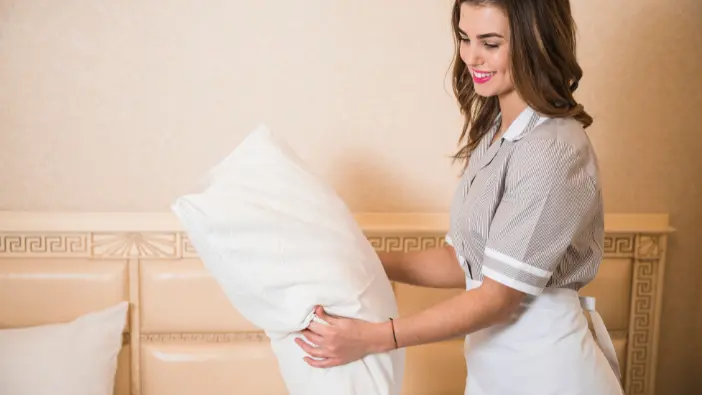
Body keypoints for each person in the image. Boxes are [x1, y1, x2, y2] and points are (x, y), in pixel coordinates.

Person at [294, 0, 624, 393]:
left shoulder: (552, 148)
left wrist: (374, 337)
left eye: (491, 42)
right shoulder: (500, 134)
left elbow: (497, 297)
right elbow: (462, 262)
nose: (471, 56)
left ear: (536, 41)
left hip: (548, 372)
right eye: (465, 38)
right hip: (495, 370)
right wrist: (361, 261)